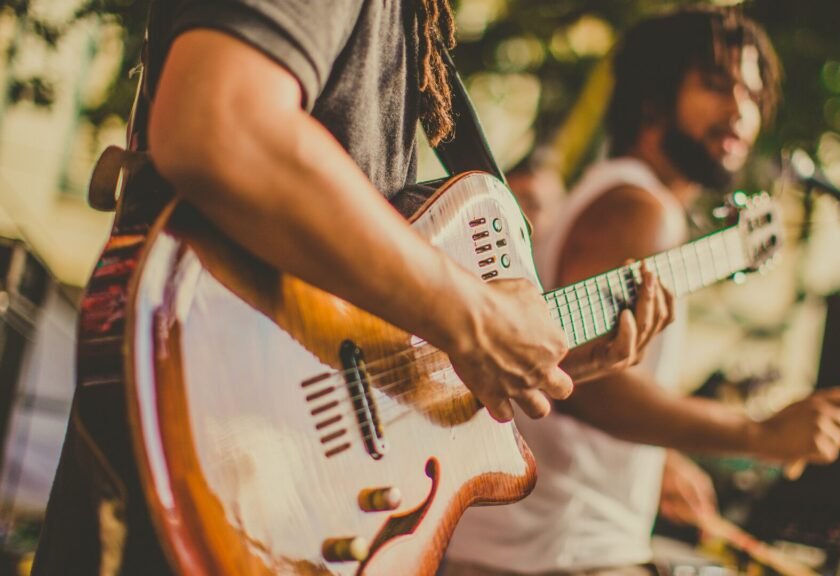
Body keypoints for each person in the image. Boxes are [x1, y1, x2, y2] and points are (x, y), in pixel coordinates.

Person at [32, 2, 675, 573]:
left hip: (285, 485)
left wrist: (509, 357)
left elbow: (350, 303)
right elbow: (220, 122)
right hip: (219, 446)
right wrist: (471, 314)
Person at [444, 7, 840, 575]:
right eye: (716, 87)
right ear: (654, 98)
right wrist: (759, 435)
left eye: (752, 94)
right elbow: (585, 388)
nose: (740, 111)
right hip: (553, 552)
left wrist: (659, 456)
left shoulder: (620, 194)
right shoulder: (638, 206)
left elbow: (586, 370)